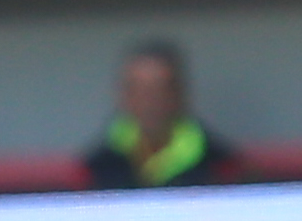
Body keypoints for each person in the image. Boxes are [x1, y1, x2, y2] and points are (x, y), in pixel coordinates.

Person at [81, 40, 238, 191]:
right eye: (139, 91)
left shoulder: (223, 170)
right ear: (123, 96)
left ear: (180, 94)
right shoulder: (91, 174)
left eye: (160, 90)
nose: (149, 103)